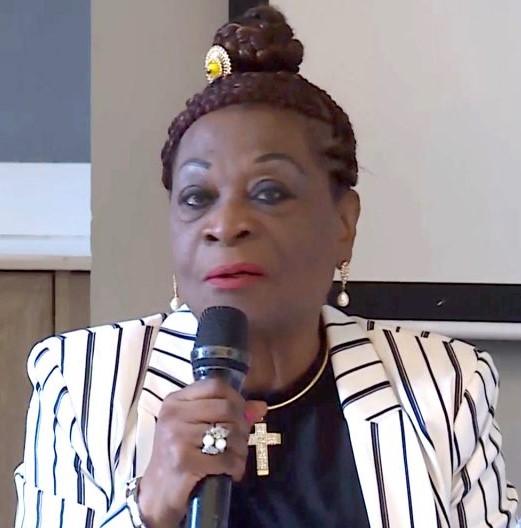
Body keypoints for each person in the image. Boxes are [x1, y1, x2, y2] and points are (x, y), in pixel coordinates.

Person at [14, 5, 518, 528]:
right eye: (197, 197)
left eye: (269, 192)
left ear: (343, 223)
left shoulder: (445, 387)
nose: (225, 224)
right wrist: (149, 507)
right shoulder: (84, 383)